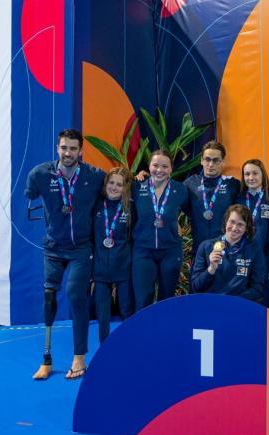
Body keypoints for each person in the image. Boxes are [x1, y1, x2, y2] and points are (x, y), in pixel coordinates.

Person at [25, 129, 104, 380]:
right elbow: (30, 195)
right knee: (49, 297)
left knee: (75, 294)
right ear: (57, 148)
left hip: (81, 247)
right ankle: (46, 359)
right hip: (53, 247)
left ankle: (79, 357)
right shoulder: (39, 174)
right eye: (63, 148)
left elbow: (118, 186)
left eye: (72, 148)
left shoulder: (94, 176)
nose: (67, 153)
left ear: (80, 150)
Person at [131, 150, 189, 311]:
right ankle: (143, 335)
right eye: (155, 165)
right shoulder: (136, 187)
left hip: (170, 250)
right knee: (143, 300)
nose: (159, 170)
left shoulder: (180, 190)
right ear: (149, 166)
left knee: (167, 300)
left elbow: (193, 212)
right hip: (143, 251)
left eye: (165, 166)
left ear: (171, 169)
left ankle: (164, 334)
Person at [92, 167, 133, 345]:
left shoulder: (130, 208)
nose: (114, 187)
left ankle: (130, 346)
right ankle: (104, 350)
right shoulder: (96, 205)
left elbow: (134, 237)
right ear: (105, 183)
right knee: (103, 314)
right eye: (111, 183)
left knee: (127, 310)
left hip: (123, 268)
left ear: (125, 188)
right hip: (100, 270)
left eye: (119, 184)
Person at [191, 204, 266, 300]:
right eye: (232, 222)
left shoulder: (254, 249)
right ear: (226, 221)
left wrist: (233, 302)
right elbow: (195, 287)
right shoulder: (206, 246)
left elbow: (257, 289)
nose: (234, 228)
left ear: (246, 228)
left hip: (238, 306)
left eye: (240, 224)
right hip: (210, 304)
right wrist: (211, 269)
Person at [237, 160, 269, 311]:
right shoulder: (239, 199)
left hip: (268, 259)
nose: (251, 177)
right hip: (244, 258)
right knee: (247, 304)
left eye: (255, 173)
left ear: (263, 174)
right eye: (247, 174)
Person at [183, 141, 240, 253]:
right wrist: (146, 180)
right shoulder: (190, 184)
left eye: (216, 160)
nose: (211, 164)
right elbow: (169, 198)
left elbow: (257, 190)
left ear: (222, 162)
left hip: (227, 250)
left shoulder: (233, 185)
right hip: (199, 250)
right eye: (207, 159)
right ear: (201, 161)